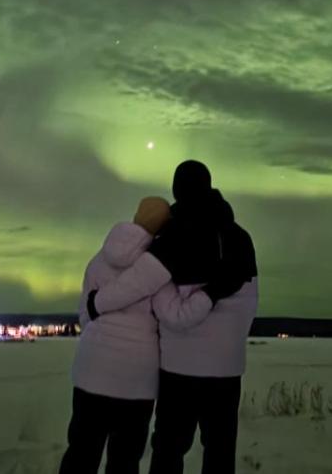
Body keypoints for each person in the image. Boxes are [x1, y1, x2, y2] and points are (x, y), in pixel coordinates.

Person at [89, 161, 258, 474]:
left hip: (179, 370)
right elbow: (249, 302)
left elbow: (138, 284)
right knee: (220, 450)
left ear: (176, 190)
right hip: (227, 368)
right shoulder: (241, 238)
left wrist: (96, 303)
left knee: (168, 449)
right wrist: (230, 338)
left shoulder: (173, 236)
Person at [60, 196, 216, 474]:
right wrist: (211, 294)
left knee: (81, 452)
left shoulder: (99, 259)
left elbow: (85, 309)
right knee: (124, 460)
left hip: (90, 369)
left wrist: (96, 336)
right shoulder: (158, 267)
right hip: (135, 379)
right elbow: (175, 316)